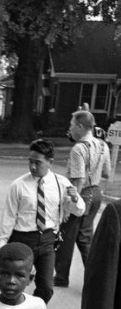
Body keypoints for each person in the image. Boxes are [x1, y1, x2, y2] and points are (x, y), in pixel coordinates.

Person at [0, 138, 85, 304]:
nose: (32, 167)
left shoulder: (61, 184)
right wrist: (1, 249)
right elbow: (8, 218)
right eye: (30, 162)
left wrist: (75, 198)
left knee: (46, 286)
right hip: (22, 239)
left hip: (47, 240)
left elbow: (79, 211)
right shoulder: (18, 185)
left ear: (50, 162)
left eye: (37, 162)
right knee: (14, 285)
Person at [54, 110, 112, 288]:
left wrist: (70, 204)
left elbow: (78, 179)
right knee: (85, 237)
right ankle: (97, 277)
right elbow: (106, 173)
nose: (70, 129)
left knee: (66, 235)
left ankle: (61, 277)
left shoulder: (78, 149)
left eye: (72, 125)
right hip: (96, 194)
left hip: (82, 194)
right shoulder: (102, 145)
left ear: (80, 126)